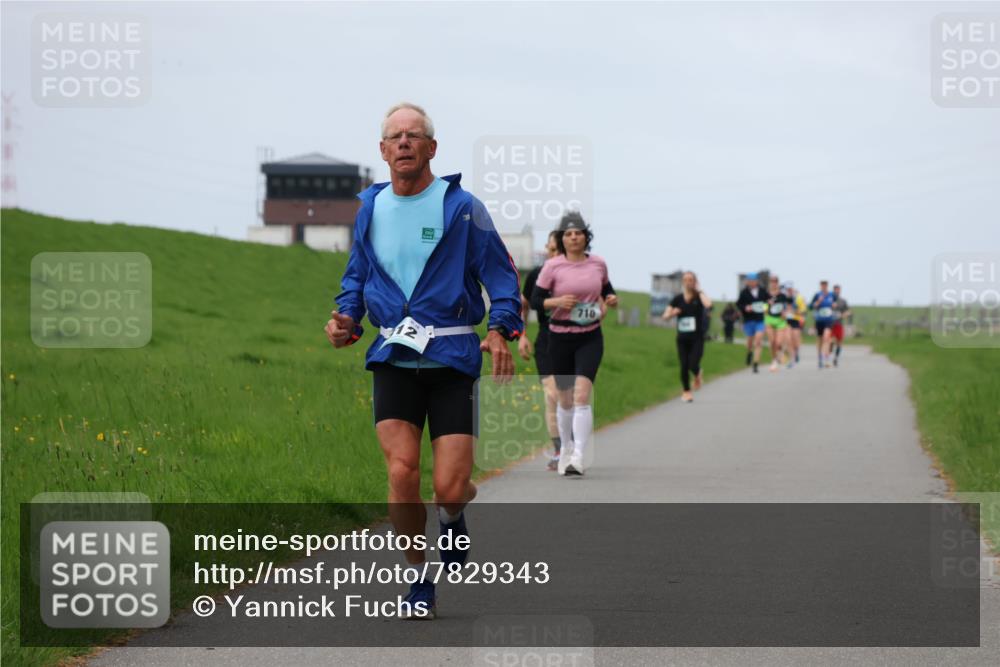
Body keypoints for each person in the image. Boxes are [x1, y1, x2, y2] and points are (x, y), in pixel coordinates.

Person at [326, 103, 522, 619]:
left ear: (432, 148)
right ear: (383, 150)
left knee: (449, 486)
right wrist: (346, 318)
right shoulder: (369, 209)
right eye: (396, 136)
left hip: (452, 356)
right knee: (401, 471)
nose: (405, 143)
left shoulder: (462, 208)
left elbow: (502, 277)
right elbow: (357, 277)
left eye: (416, 135)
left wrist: (501, 329)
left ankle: (454, 516)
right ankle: (418, 580)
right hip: (393, 355)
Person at [530, 212, 616, 477]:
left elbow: (607, 289)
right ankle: (565, 449)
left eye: (578, 232)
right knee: (564, 400)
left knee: (581, 395)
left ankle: (578, 456)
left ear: (586, 237)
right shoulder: (552, 267)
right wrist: (557, 302)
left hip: (589, 336)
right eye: (568, 233)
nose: (573, 236)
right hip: (559, 337)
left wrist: (611, 299)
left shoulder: (598, 264)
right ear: (562, 238)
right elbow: (536, 301)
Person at [519, 231, 562, 470]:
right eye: (550, 249)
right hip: (546, 340)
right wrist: (523, 336)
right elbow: (524, 305)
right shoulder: (537, 274)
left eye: (557, 250)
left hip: (574, 341)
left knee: (571, 397)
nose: (552, 254)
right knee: (551, 395)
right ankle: (559, 449)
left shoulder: (575, 275)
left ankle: (571, 444)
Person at [662, 271, 712, 402]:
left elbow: (708, 305)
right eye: (686, 280)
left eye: (691, 280)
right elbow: (665, 316)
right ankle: (686, 391)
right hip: (682, 339)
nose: (688, 282)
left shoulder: (699, 297)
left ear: (695, 282)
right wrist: (672, 313)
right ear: (683, 282)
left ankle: (697, 373)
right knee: (683, 365)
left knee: (693, 364)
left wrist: (700, 291)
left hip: (697, 338)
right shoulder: (677, 299)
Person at [736, 273, 768, 373]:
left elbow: (768, 301)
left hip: (760, 320)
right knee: (750, 342)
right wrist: (745, 308)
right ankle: (749, 352)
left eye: (754, 281)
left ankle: (755, 363)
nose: (752, 283)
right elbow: (739, 304)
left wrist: (767, 306)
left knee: (758, 341)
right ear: (748, 282)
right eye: (750, 281)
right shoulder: (744, 292)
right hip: (749, 320)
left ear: (757, 281)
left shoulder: (762, 291)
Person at [763, 275, 791, 372]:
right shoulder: (766, 295)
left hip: (780, 321)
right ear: (770, 283)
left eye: (775, 281)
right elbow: (763, 307)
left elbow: (787, 308)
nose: (773, 283)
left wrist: (785, 313)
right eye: (772, 281)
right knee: (772, 342)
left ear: (777, 283)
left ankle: (781, 353)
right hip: (769, 319)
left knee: (778, 343)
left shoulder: (782, 295)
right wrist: (767, 306)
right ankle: (774, 361)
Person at [810, 279, 837, 369]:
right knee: (820, 340)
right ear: (820, 286)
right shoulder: (817, 295)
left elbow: (835, 304)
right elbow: (810, 306)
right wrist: (818, 302)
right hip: (819, 320)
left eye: (825, 285)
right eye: (822, 285)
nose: (824, 286)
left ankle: (826, 358)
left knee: (827, 338)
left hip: (828, 320)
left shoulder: (831, 295)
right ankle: (820, 358)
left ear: (827, 286)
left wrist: (834, 305)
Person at [783, 282, 806, 367]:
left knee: (795, 340)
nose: (789, 291)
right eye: (787, 289)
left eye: (790, 289)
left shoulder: (798, 298)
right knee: (788, 339)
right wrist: (784, 313)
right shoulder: (783, 298)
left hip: (796, 320)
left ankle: (796, 352)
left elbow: (803, 310)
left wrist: (794, 311)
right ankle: (791, 359)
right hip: (786, 321)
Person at [830, 284, 852, 367]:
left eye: (838, 290)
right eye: (835, 290)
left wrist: (843, 315)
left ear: (840, 291)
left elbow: (849, 311)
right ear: (833, 290)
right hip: (830, 324)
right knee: (831, 341)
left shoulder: (843, 301)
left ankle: (836, 358)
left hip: (839, 323)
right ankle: (829, 354)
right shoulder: (829, 300)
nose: (837, 291)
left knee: (839, 343)